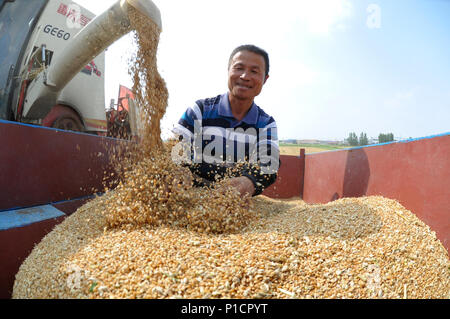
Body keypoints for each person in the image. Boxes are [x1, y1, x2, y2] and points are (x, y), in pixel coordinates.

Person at [172, 44, 280, 198]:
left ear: (265, 79)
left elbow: (269, 163)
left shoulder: (266, 124)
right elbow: (175, 149)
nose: (245, 76)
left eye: (254, 71)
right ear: (228, 70)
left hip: (236, 203)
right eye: (239, 68)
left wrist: (249, 181)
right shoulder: (199, 111)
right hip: (190, 196)